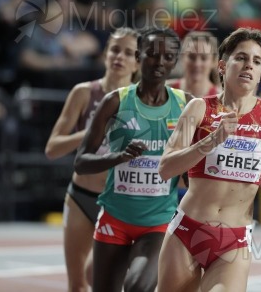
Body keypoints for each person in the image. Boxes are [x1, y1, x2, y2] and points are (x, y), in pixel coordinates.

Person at [157, 27, 261, 292]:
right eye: (241, 58)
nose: (249, 66)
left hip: (234, 240)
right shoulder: (199, 108)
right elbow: (165, 168)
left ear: (260, 72)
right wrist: (211, 140)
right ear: (223, 66)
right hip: (187, 230)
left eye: (256, 62)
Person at [74, 27, 193, 292]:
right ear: (139, 57)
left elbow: (196, 163)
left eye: (167, 56)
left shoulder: (186, 105)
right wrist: (119, 157)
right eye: (151, 54)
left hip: (158, 223)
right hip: (114, 219)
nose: (159, 62)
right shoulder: (115, 101)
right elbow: (81, 162)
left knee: (138, 287)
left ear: (175, 61)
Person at [44, 27, 139, 292]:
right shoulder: (84, 92)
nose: (119, 56)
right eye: (115, 49)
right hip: (81, 196)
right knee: (77, 284)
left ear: (138, 62)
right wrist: (92, 131)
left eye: (128, 52)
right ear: (105, 53)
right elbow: (52, 148)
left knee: (106, 279)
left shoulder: (143, 101)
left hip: (121, 201)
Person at [167, 31, 221, 97]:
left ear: (214, 62)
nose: (197, 64)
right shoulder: (165, 91)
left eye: (204, 58)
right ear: (182, 58)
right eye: (191, 57)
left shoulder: (221, 99)